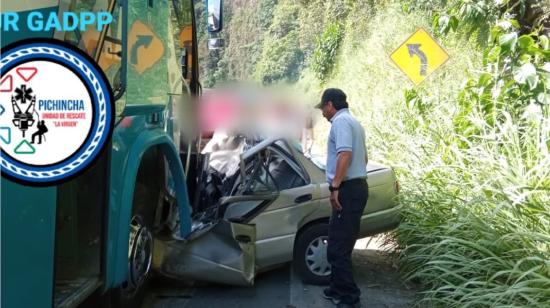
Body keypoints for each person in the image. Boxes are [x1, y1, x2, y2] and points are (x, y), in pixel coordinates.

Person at [315, 88, 368, 308]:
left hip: (347, 190)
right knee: (341, 244)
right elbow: (363, 158)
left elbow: (345, 154)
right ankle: (337, 287)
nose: (322, 114)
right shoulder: (353, 122)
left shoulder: (341, 123)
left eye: (323, 109)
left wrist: (336, 186)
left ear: (329, 105)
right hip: (354, 188)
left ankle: (350, 298)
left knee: (337, 248)